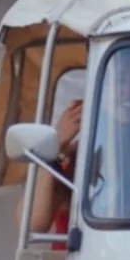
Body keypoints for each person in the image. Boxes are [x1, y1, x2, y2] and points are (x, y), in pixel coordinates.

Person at [29, 69, 86, 235]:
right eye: (119, 82)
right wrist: (56, 143)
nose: (126, 91)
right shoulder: (71, 158)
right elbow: (33, 224)